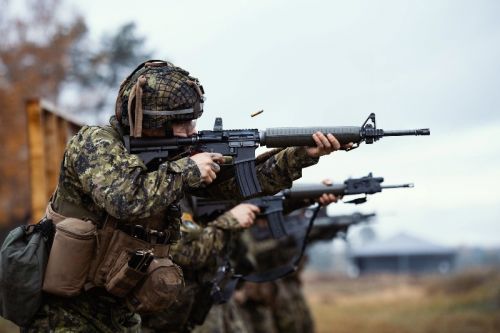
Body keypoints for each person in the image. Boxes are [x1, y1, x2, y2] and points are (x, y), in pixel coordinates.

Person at [23, 59, 345, 332]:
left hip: (121, 315)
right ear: (152, 123)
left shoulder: (171, 163)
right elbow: (124, 198)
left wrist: (303, 153)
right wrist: (190, 169)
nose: (192, 131)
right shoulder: (94, 143)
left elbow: (241, 182)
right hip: (66, 316)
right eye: (183, 123)